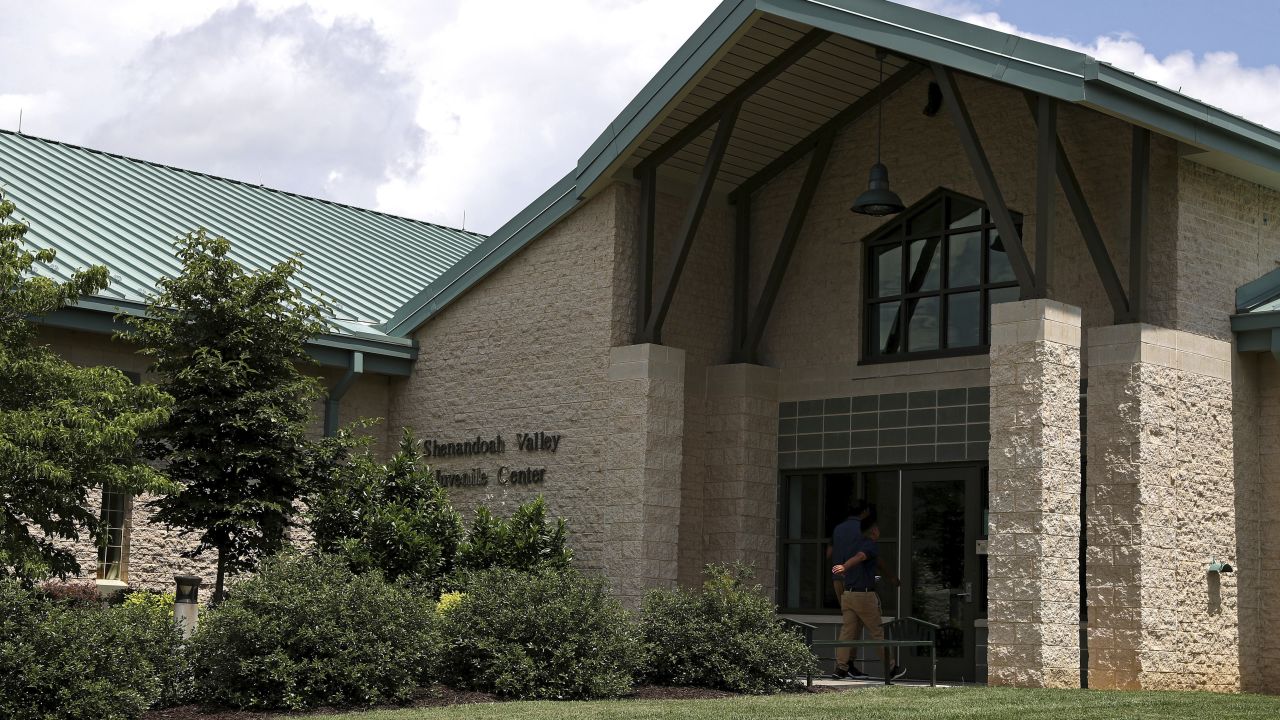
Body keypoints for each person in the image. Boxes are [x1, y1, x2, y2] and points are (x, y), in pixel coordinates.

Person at [830, 517, 906, 681]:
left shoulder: (851, 544)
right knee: (877, 632)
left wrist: (891, 577)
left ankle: (841, 668)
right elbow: (861, 557)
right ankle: (891, 668)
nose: (879, 532)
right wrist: (846, 566)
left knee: (847, 632)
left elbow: (877, 562)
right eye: (878, 529)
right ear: (873, 531)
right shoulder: (869, 545)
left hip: (848, 595)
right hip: (864, 596)